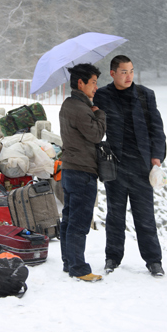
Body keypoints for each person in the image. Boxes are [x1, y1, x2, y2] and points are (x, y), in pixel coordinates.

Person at [93, 55, 166, 277]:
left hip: (142, 165)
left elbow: (157, 128)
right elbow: (94, 125)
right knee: (115, 215)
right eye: (123, 72)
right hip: (115, 165)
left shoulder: (145, 95)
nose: (128, 76)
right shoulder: (103, 95)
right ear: (113, 73)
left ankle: (154, 261)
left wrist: (156, 156)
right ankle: (112, 258)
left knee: (145, 216)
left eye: (131, 71)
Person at [59, 63, 106, 282]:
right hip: (82, 170)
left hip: (70, 169)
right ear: (81, 83)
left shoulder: (68, 105)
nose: (96, 87)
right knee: (79, 222)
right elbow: (96, 135)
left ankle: (69, 262)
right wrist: (100, 115)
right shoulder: (80, 108)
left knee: (69, 218)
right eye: (93, 82)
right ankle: (78, 267)